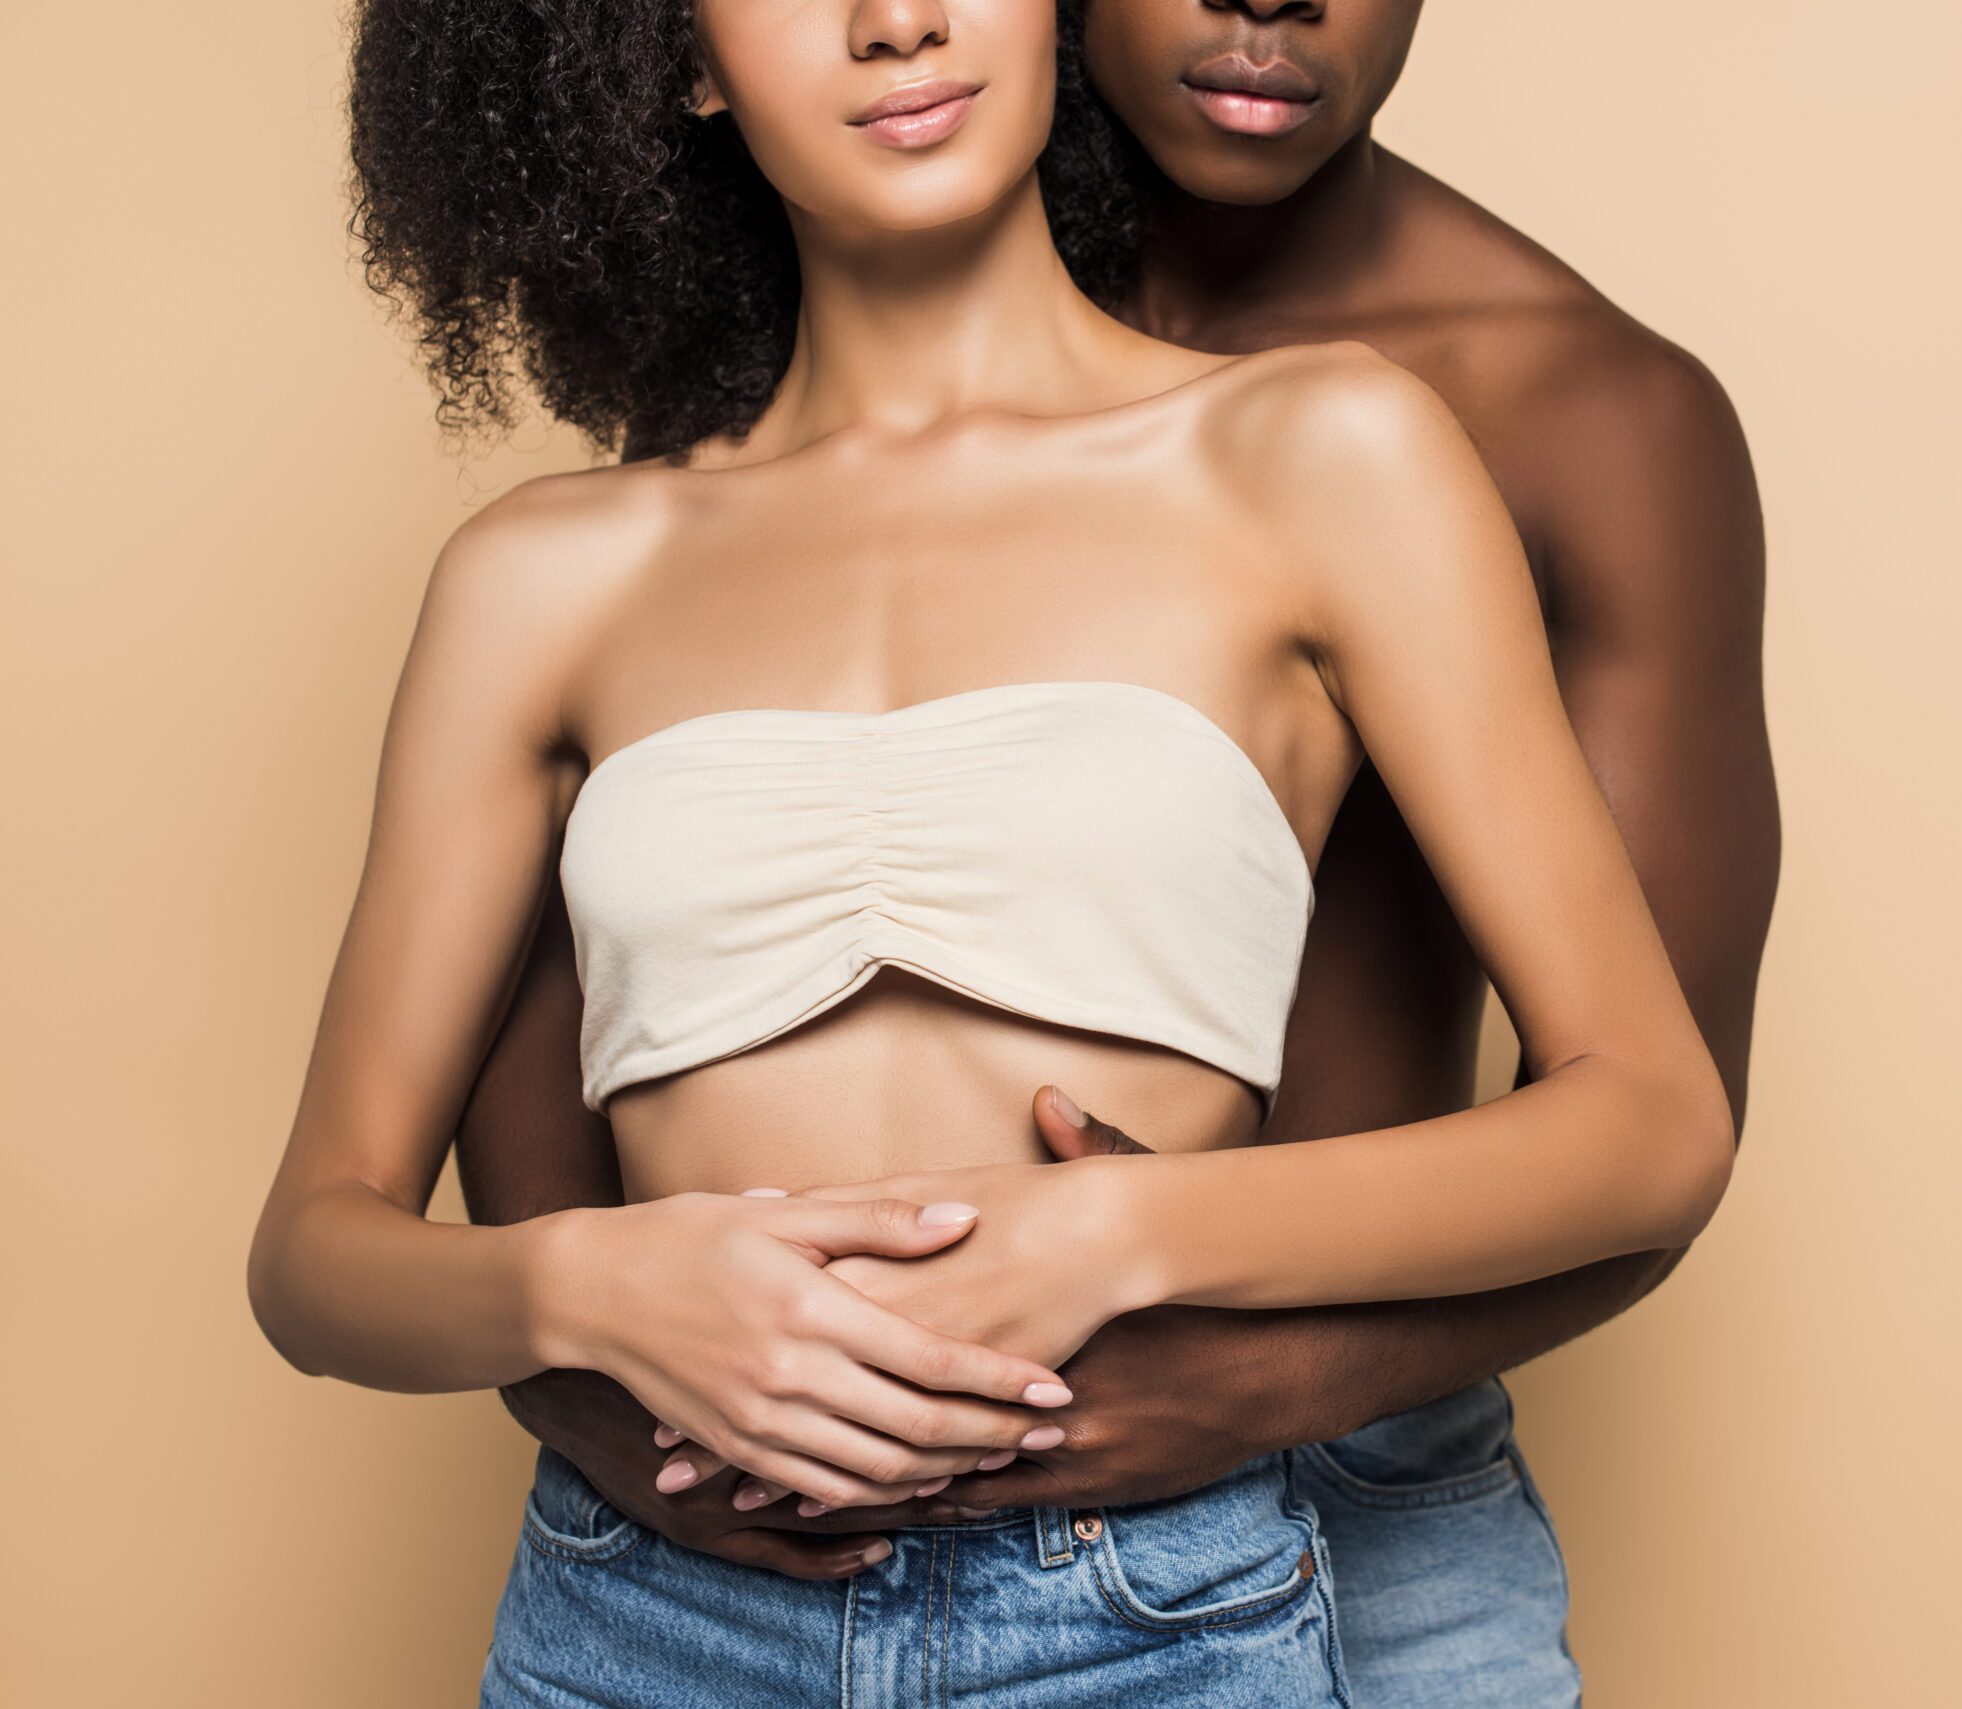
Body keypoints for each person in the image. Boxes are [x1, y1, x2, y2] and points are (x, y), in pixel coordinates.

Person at [249, 0, 1746, 1702]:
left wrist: (1120, 1239)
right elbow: (315, 1251)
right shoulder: (541, 574)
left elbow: (1651, 1121)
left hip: (1148, 1607)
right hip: (648, 1608)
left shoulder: (1324, 452)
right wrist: (593, 1290)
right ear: (676, 61)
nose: (901, 22)